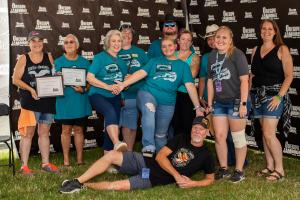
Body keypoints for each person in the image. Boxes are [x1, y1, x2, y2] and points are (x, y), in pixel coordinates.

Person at [59, 116, 215, 193]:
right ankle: (76, 180)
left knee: (117, 186)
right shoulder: (181, 138)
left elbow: (210, 178)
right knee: (113, 154)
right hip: (146, 163)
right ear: (191, 129)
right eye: (195, 127)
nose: (197, 131)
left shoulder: (206, 155)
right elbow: (160, 156)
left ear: (207, 133)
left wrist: (194, 184)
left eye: (201, 129)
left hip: (153, 179)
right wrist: (177, 176)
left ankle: (82, 186)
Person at [116, 37, 203, 157]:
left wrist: (197, 108)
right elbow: (140, 73)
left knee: (161, 135)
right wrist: (123, 84)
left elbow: (190, 87)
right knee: (149, 108)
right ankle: (148, 146)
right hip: (148, 94)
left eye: (170, 45)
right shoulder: (154, 61)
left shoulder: (183, 66)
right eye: (164, 46)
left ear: (175, 46)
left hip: (167, 102)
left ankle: (160, 161)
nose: (167, 48)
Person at [250, 19, 293, 181]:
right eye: (263, 29)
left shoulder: (282, 49)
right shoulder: (255, 49)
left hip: (273, 96)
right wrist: (248, 95)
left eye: (270, 29)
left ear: (275, 32)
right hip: (257, 96)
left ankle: (279, 169)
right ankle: (269, 166)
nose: (266, 31)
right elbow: (252, 75)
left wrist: (279, 96)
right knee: (264, 133)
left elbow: (289, 76)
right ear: (260, 31)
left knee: (269, 134)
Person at [12, 31, 59, 175]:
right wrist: (31, 89)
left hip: (47, 101)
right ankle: (24, 167)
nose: (37, 43)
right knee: (28, 134)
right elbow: (15, 79)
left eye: (39, 40)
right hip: (30, 102)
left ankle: (45, 163)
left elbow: (54, 74)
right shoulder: (24, 58)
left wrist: (58, 78)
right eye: (33, 41)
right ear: (29, 43)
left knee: (44, 133)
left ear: (43, 42)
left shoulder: (48, 56)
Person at [207, 26, 249, 183]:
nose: (220, 40)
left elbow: (245, 80)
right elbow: (211, 81)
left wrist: (243, 104)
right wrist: (210, 103)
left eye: (224, 37)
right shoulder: (212, 56)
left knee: (238, 138)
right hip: (219, 102)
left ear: (231, 40)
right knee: (219, 136)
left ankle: (239, 170)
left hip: (236, 101)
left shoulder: (237, 55)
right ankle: (224, 169)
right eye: (218, 37)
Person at [87, 30, 128, 154]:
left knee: (112, 123)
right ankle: (116, 143)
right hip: (98, 94)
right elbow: (89, 78)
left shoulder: (122, 62)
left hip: (115, 96)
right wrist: (108, 87)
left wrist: (123, 86)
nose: (117, 44)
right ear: (108, 43)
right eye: (113, 41)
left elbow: (123, 84)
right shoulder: (100, 58)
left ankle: (108, 157)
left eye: (119, 41)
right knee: (110, 112)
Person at [54, 34, 92, 167]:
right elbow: (52, 83)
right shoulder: (57, 62)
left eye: (71, 42)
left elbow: (90, 82)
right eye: (66, 42)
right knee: (65, 130)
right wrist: (57, 82)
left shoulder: (84, 62)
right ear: (63, 46)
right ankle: (66, 161)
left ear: (77, 45)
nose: (69, 44)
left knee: (79, 130)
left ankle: (80, 160)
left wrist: (84, 89)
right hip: (64, 102)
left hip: (80, 101)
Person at [118, 24, 149, 151]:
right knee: (114, 125)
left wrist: (135, 76)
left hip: (134, 96)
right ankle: (111, 154)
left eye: (130, 32)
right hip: (114, 94)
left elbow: (149, 73)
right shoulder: (113, 52)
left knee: (130, 126)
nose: (127, 34)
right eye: (124, 32)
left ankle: (128, 153)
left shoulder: (141, 53)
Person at [171, 30, 200, 136]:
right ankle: (175, 150)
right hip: (171, 95)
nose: (185, 42)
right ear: (178, 40)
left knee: (186, 125)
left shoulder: (194, 57)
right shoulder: (171, 54)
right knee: (174, 125)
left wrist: (173, 76)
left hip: (187, 95)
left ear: (191, 43)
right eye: (183, 39)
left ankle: (185, 151)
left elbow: (191, 75)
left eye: (189, 40)